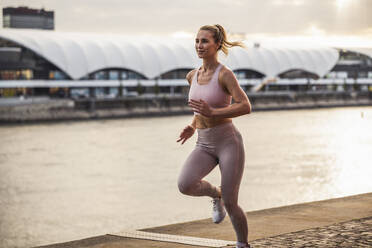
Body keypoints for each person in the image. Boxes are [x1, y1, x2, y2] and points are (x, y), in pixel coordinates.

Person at [176, 24, 252, 248]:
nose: (199, 46)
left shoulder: (225, 75)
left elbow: (245, 106)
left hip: (228, 143)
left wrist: (214, 112)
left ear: (217, 44)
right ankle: (215, 194)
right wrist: (192, 125)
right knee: (185, 184)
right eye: (197, 41)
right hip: (204, 143)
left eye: (205, 41)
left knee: (232, 202)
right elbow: (199, 109)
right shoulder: (192, 75)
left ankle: (242, 244)